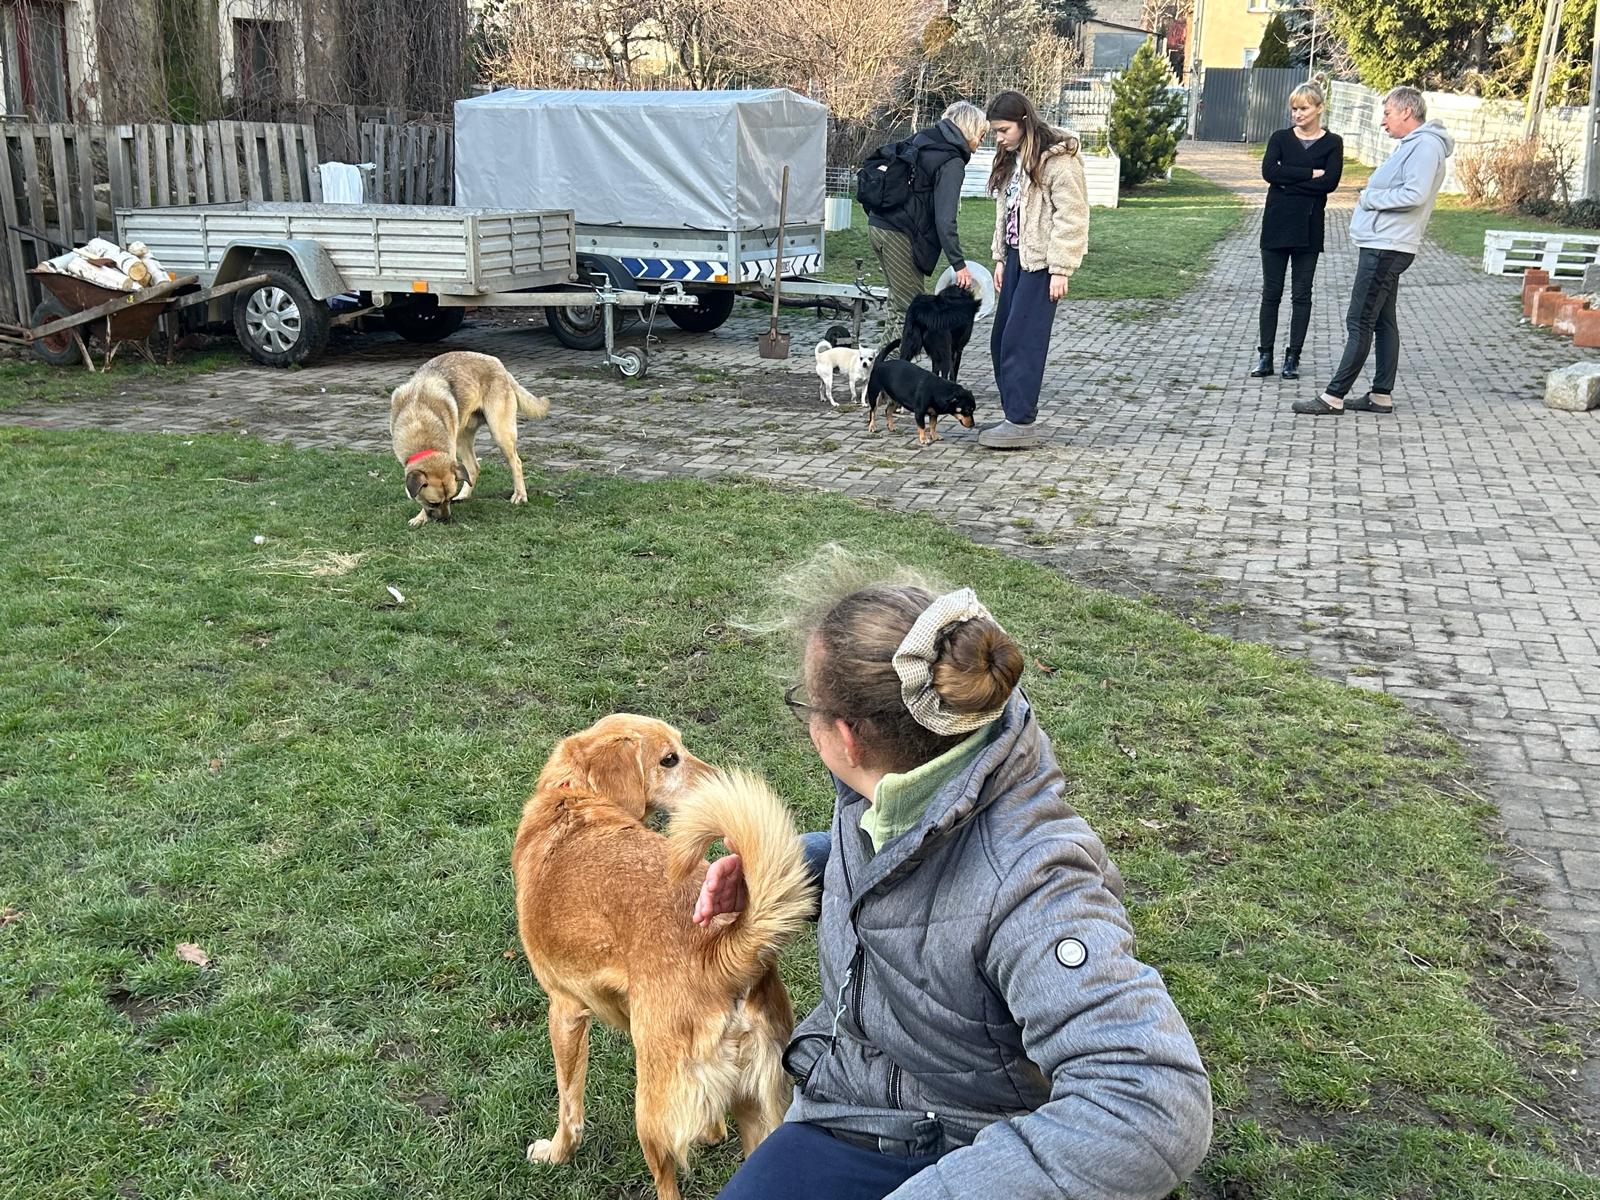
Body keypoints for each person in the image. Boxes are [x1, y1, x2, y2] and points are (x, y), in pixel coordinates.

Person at [694, 564, 1213, 1200]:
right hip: (852, 1098)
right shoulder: (909, 772)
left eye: (807, 706)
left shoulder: (1037, 883)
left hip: (971, 1142)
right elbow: (906, 870)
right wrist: (794, 869)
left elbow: (1153, 1105)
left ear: (847, 737)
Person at [1294, 85, 1453, 416]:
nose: (1383, 122)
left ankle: (1333, 396)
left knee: (1359, 319)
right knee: (1383, 320)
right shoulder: (1413, 145)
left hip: (1388, 246)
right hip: (1385, 243)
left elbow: (1415, 194)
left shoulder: (1424, 146)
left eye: (1388, 113)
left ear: (1407, 112)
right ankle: (1381, 395)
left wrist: (1369, 197)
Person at [980, 90, 1089, 451]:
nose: (999, 138)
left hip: (1042, 265)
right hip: (1015, 259)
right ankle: (1014, 412)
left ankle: (1021, 421)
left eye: (1003, 130)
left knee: (1022, 342)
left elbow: (1072, 215)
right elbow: (1006, 213)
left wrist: (1061, 268)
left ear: (1024, 122)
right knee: (1000, 341)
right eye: (995, 131)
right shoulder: (1013, 160)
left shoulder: (1058, 161)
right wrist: (999, 257)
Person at [866, 101, 988, 337]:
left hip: (879, 225)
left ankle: (882, 369)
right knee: (911, 310)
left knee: (896, 305)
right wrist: (959, 264)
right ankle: (894, 372)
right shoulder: (951, 161)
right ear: (970, 128)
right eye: (982, 134)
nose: (982, 141)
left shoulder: (924, 139)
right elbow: (946, 219)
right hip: (901, 235)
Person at [1251, 82, 1343, 381]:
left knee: (1302, 294)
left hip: (1309, 226)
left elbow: (1329, 183)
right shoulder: (1279, 138)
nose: (1297, 114)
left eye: (1303, 108)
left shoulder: (1333, 143)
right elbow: (1269, 173)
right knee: (1271, 293)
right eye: (1294, 109)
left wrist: (1287, 180)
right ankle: (1265, 356)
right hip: (1276, 224)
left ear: (1319, 108)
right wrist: (1308, 174)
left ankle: (1293, 357)